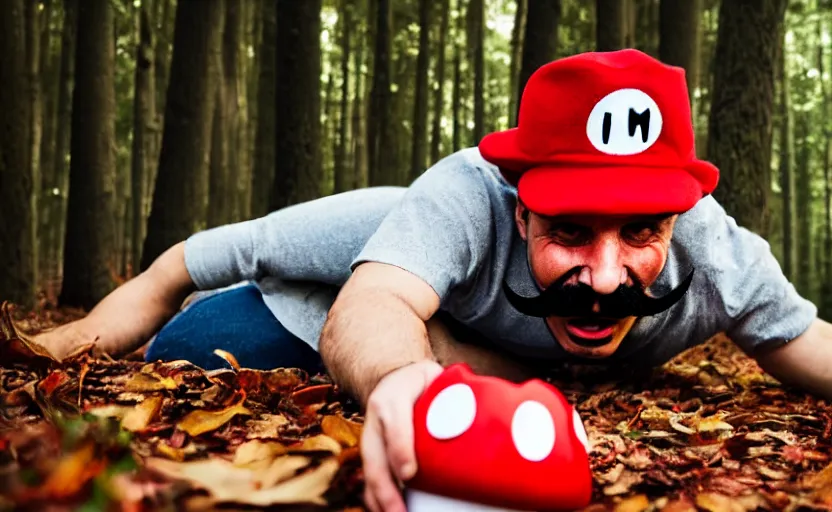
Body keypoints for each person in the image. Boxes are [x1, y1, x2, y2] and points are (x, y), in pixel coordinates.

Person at [35, 49, 832, 512]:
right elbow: (204, 265)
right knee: (200, 340)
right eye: (568, 232)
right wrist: (409, 385)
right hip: (289, 306)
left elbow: (812, 345)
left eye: (642, 234)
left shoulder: (720, 257)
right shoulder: (450, 206)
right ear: (520, 213)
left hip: (446, 318)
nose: (604, 275)